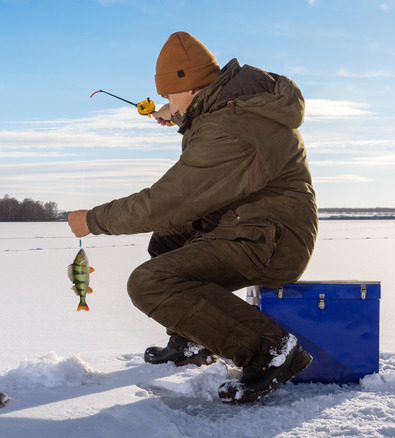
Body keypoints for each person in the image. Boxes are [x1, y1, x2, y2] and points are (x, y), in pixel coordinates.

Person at [67, 31, 318, 403]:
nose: (165, 103)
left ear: (192, 88)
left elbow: (168, 201)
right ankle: (193, 340)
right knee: (167, 239)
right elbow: (207, 152)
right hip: (257, 226)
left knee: (150, 283)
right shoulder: (238, 107)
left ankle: (271, 351)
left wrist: (93, 220)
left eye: (169, 95)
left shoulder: (230, 129)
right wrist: (184, 114)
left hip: (270, 242)